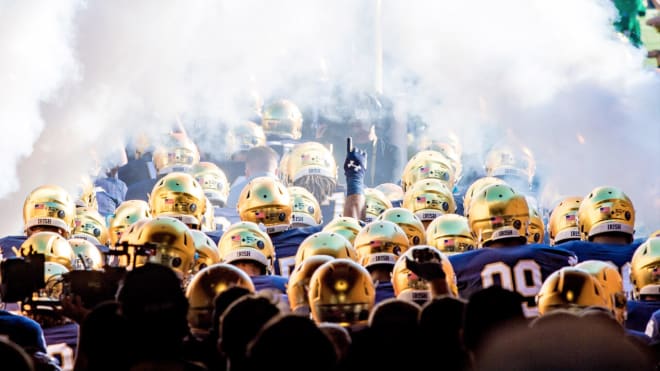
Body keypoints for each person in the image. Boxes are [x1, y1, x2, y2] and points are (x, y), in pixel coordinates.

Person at [448, 183, 576, 318]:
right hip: (541, 335)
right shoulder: (557, 256)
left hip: (491, 336)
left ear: (476, 225)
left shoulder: (459, 265)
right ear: (524, 220)